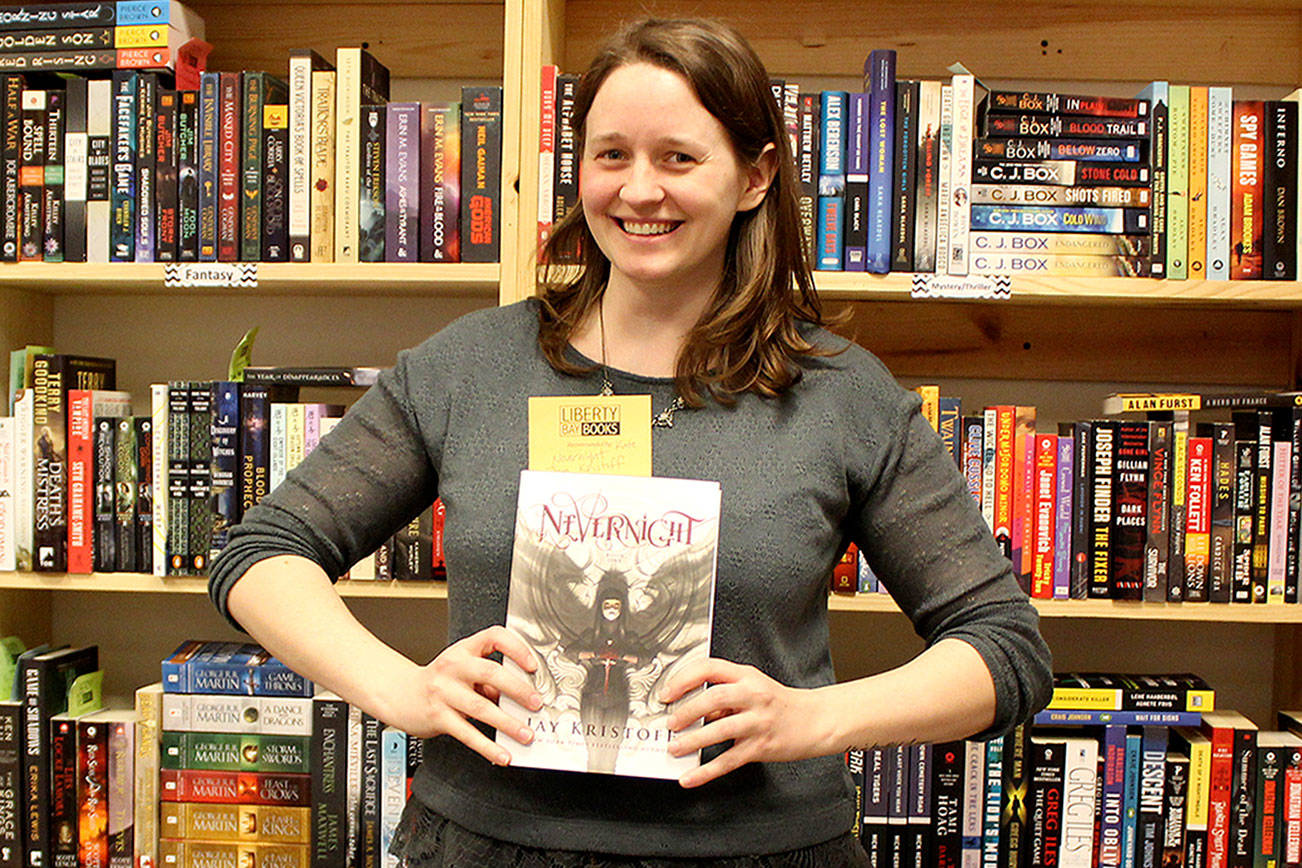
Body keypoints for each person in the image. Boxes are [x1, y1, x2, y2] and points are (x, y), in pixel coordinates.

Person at [208, 17, 1052, 867]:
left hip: (762, 850)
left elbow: (1004, 648)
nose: (639, 190)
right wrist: (402, 688)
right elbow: (262, 553)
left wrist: (810, 719)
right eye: (611, 155)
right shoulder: (468, 368)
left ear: (756, 177)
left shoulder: (842, 395)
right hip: (486, 844)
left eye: (679, 158)